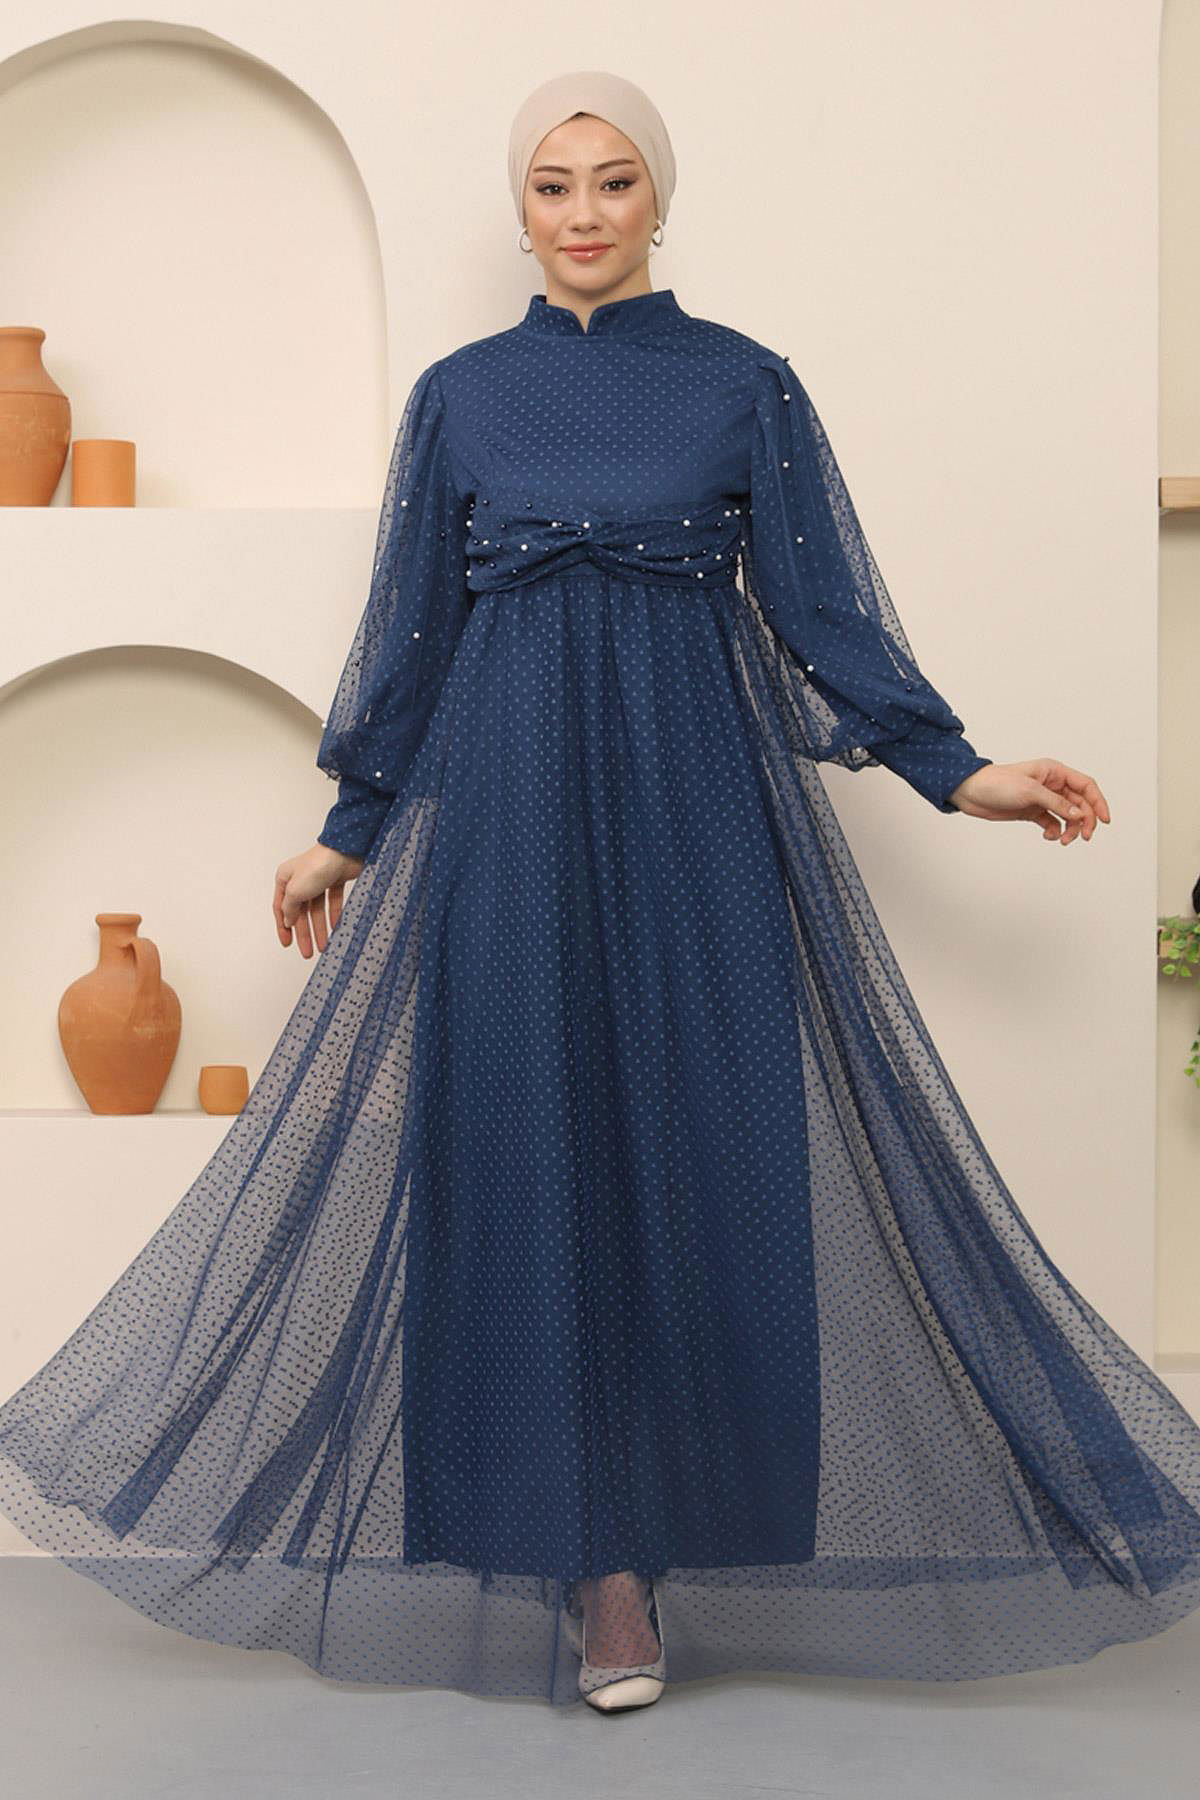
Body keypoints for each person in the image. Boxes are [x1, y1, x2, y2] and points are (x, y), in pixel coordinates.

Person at [1, 69, 1198, 1718]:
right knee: (522, 1158)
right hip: (506, 816)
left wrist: (962, 772)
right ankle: (598, 1573)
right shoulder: (462, 396)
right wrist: (351, 823)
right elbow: (411, 628)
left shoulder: (745, 383)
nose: (582, 212)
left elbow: (824, 617)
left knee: (703, 1155)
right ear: (521, 210)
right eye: (552, 185)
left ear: (659, 201)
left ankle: (667, 1529)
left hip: (702, 816)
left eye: (613, 181)